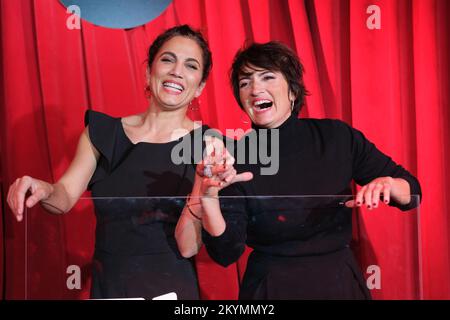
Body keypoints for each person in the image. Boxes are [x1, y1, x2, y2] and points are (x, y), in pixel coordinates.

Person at [6, 25, 240, 300]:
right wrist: (43, 188)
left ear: (200, 86)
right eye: (167, 59)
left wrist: (204, 190)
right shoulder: (103, 133)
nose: (177, 71)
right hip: (110, 287)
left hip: (172, 289)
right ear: (148, 71)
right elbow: (65, 196)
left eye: (190, 66)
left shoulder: (208, 145)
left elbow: (189, 247)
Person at [195, 41, 422, 299]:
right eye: (245, 82)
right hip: (271, 288)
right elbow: (225, 252)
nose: (255, 88)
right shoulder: (233, 157)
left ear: (293, 91)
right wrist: (209, 200)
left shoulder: (336, 137)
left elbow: (412, 191)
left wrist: (389, 185)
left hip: (339, 283)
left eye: (267, 76)